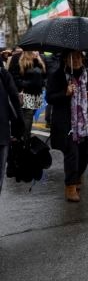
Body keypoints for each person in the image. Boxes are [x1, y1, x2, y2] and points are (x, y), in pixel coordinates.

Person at [46, 51, 88, 202]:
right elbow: (50, 97)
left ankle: (76, 176)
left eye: (79, 57)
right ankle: (70, 186)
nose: (76, 60)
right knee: (72, 153)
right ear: (65, 59)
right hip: (66, 123)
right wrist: (65, 93)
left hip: (85, 122)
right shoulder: (57, 74)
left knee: (86, 152)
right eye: (73, 57)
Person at [9, 50, 46, 141]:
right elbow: (13, 77)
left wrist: (37, 60)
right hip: (25, 94)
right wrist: (26, 84)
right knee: (26, 119)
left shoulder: (39, 58)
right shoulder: (18, 57)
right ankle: (24, 141)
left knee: (29, 117)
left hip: (36, 95)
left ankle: (23, 140)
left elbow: (44, 75)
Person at [0, 64, 23, 195]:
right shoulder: (3, 73)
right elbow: (14, 101)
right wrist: (18, 131)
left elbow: (14, 100)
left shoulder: (3, 74)